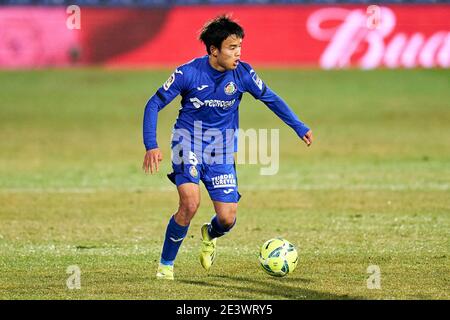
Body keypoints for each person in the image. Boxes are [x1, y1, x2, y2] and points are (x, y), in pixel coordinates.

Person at [142, 15, 313, 280]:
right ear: (214, 50)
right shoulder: (188, 73)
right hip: (186, 143)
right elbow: (153, 104)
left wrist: (298, 126)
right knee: (190, 203)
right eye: (232, 48)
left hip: (220, 151)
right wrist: (151, 145)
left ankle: (209, 235)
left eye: (240, 47)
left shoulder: (243, 74)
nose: (238, 53)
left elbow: (271, 98)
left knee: (227, 218)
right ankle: (166, 266)